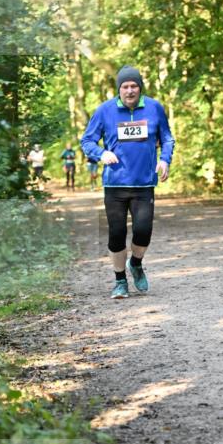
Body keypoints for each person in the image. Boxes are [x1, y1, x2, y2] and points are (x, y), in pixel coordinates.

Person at [80, 66, 175, 300]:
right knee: (117, 233)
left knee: (143, 232)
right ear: (119, 89)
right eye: (125, 86)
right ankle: (120, 281)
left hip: (144, 183)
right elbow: (87, 141)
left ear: (140, 88)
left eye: (134, 86)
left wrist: (165, 160)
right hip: (115, 184)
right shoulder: (105, 110)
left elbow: (167, 138)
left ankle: (136, 263)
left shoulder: (154, 107)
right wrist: (101, 153)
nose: (130, 90)